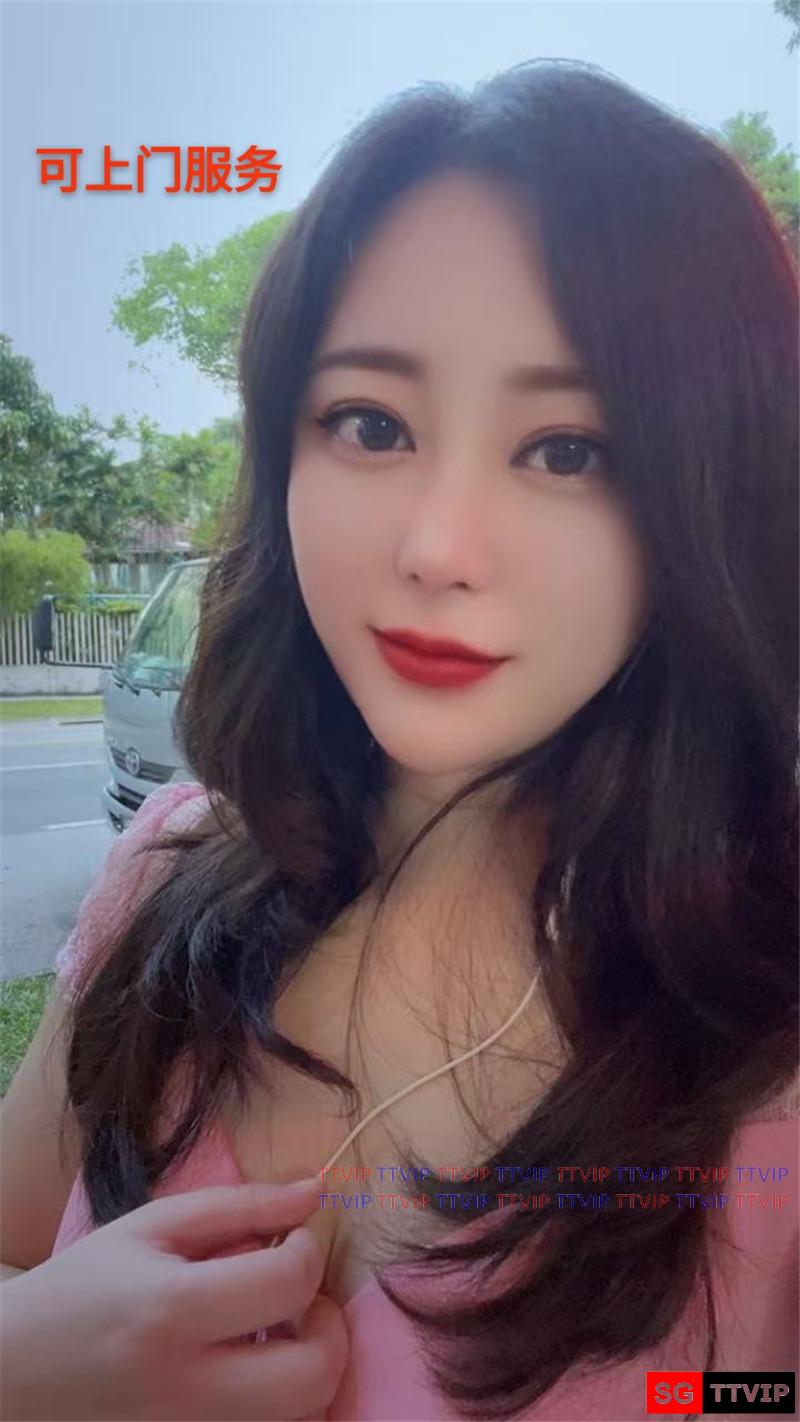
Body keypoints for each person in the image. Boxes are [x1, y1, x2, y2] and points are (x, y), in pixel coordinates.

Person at [1, 56, 797, 1422]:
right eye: (370, 424)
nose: (437, 547)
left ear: (708, 493)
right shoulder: (166, 877)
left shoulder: (766, 1023)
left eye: (566, 450)